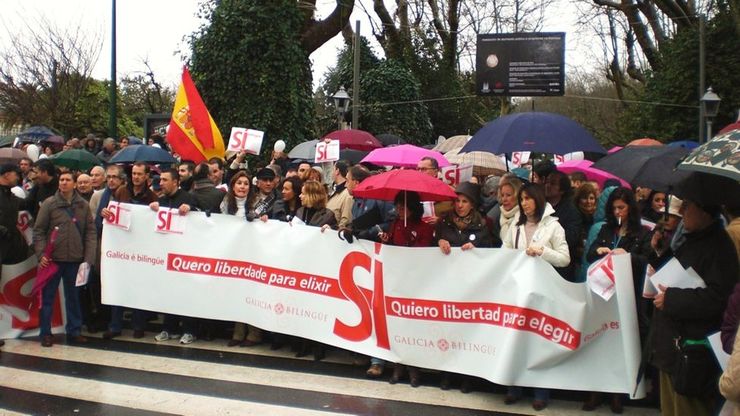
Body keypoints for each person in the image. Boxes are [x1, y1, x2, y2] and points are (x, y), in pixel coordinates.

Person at [649, 197, 738, 416]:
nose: (682, 210)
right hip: (672, 348)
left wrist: (672, 299)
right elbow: (677, 273)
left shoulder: (719, 245)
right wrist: (662, 252)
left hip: (692, 351)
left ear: (705, 212)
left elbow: (719, 297)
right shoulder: (693, 239)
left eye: (689, 206)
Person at [502, 182, 569, 411]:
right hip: (519, 290)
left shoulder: (553, 226)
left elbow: (564, 258)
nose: (524, 204)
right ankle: (514, 388)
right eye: (522, 200)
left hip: (542, 291)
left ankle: (540, 391)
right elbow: (505, 251)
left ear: (538, 200)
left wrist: (542, 251)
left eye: (528, 199)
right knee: (517, 340)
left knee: (539, 343)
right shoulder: (516, 225)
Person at [584, 187, 651, 413]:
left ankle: (618, 393)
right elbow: (589, 254)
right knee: (601, 342)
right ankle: (596, 390)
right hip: (604, 295)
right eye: (613, 208)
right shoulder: (606, 229)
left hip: (626, 295)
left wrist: (628, 257)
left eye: (621, 207)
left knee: (621, 344)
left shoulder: (641, 233)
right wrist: (600, 250)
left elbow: (646, 261)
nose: (617, 212)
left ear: (630, 208)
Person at [435, 182, 493, 393]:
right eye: (457, 201)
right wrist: (439, 241)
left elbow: (491, 251)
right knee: (448, 330)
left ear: (473, 204)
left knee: (468, 331)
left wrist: (477, 248)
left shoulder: (483, 224)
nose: (459, 205)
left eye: (464, 201)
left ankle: (467, 376)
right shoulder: (443, 223)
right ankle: (447, 372)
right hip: (448, 285)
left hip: (472, 287)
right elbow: (433, 248)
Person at [33, 171, 96, 347]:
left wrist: (88, 258)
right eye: (61, 179)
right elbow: (38, 231)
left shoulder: (83, 205)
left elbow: (90, 233)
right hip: (52, 260)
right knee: (47, 298)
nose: (64, 182)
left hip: (75, 260)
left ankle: (74, 331)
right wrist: (41, 254)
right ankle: (45, 333)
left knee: (74, 297)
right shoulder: (49, 204)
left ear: (74, 184)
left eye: (68, 180)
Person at [380, 191, 434, 387]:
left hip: (416, 283)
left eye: (403, 206)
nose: (399, 210)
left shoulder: (425, 228)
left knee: (413, 326)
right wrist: (387, 239)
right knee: (397, 324)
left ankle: (414, 368)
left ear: (413, 208)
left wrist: (408, 241)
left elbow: (424, 249)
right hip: (397, 281)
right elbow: (392, 247)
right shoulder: (395, 224)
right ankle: (398, 364)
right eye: (397, 206)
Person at [101, 163, 158, 340]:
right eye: (134, 174)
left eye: (140, 174)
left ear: (147, 176)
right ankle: (115, 325)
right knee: (118, 286)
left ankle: (138, 325)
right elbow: (111, 213)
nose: (136, 177)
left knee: (138, 287)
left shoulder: (152, 197)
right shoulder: (121, 192)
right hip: (121, 247)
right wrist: (106, 213)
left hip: (141, 250)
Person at [149, 169, 198, 345]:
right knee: (168, 292)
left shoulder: (188, 198)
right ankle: (169, 328)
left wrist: (191, 210)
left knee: (185, 294)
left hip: (185, 255)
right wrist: (152, 210)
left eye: (164, 179)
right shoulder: (160, 200)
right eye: (160, 179)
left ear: (175, 181)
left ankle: (189, 330)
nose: (160, 183)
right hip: (166, 255)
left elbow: (201, 220)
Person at [222, 171, 258, 348]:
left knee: (251, 293)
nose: (243, 186)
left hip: (252, 255)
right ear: (233, 185)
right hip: (233, 254)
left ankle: (253, 332)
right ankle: (238, 331)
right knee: (237, 293)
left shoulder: (256, 204)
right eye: (239, 183)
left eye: (246, 183)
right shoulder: (224, 204)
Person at [544, 170, 583, 281]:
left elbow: (571, 238)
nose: (548, 185)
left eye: (553, 183)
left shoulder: (571, 211)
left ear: (562, 190)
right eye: (547, 182)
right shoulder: (540, 206)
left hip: (561, 268)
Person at [487, 174, 522, 242]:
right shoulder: (495, 217)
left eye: (508, 195)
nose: (504, 199)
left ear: (517, 196)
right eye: (502, 195)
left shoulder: (525, 217)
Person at [326, 160, 352, 228]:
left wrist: (334, 230)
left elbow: (345, 220)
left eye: (333, 169)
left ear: (337, 171)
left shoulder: (347, 194)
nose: (331, 173)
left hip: (335, 235)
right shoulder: (334, 190)